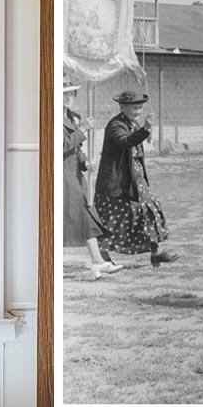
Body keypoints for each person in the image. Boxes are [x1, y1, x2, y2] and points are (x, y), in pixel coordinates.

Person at [94, 89, 178, 268]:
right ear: (123, 107)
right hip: (115, 182)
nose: (138, 111)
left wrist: (144, 129)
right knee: (110, 219)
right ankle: (102, 257)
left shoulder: (132, 122)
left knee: (149, 210)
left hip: (135, 179)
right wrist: (146, 129)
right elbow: (126, 142)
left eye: (140, 108)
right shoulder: (115, 125)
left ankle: (156, 252)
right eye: (134, 108)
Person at [63, 85, 123, 281]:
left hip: (74, 176)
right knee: (77, 218)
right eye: (64, 93)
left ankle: (96, 262)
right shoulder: (51, 116)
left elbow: (76, 149)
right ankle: (96, 261)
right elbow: (59, 146)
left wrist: (84, 162)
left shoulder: (74, 117)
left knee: (85, 216)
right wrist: (81, 130)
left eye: (71, 93)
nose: (68, 97)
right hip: (60, 175)